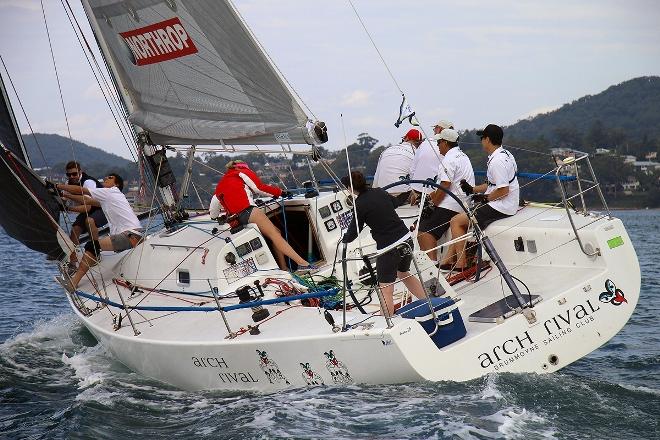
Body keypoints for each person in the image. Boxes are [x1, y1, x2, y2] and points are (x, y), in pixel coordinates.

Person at [341, 171, 427, 316]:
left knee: (386, 289)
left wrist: (345, 239)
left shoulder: (359, 204)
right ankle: (429, 302)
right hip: (406, 240)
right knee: (403, 273)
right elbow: (395, 203)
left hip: (389, 249)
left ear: (350, 188)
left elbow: (354, 231)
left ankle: (387, 323)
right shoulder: (379, 192)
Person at [209, 160, 312, 271]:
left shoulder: (221, 184)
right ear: (243, 166)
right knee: (275, 235)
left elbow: (213, 211)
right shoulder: (241, 172)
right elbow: (259, 188)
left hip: (237, 219)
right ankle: (302, 264)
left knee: (276, 232)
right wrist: (280, 192)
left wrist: (215, 217)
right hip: (248, 210)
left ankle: (283, 267)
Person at [445, 124, 519, 270]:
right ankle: (447, 260)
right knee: (463, 217)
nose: (481, 141)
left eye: (482, 138)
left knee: (456, 222)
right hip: (507, 203)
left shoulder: (497, 162)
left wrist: (485, 199)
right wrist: (472, 189)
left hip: (502, 206)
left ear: (488, 140)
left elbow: (503, 190)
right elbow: (492, 184)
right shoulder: (506, 154)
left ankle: (461, 263)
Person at [53, 173, 143, 291]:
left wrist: (57, 186)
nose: (106, 178)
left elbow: (82, 190)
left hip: (130, 235)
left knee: (92, 246)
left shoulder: (112, 191)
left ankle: (73, 283)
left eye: (110, 178)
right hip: (130, 236)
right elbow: (86, 201)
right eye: (106, 177)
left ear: (116, 184)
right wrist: (64, 196)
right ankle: (92, 258)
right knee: (93, 246)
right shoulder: (110, 197)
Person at [417, 128, 474, 266]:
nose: (437, 145)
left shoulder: (448, 160)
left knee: (423, 230)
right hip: (464, 202)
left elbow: (445, 185)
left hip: (452, 204)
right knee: (425, 222)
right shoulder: (463, 156)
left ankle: (431, 266)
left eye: (439, 142)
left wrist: (433, 204)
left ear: (446, 143)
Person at [62, 161, 108, 274]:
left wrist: (69, 209)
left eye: (74, 174)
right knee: (75, 230)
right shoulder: (68, 184)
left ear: (80, 172)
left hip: (103, 208)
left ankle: (95, 253)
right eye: (69, 175)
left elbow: (87, 207)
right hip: (89, 209)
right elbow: (63, 199)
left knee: (89, 221)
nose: (72, 177)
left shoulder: (88, 182)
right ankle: (73, 263)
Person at [372, 128, 424, 205]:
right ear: (420, 143)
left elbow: (376, 180)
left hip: (382, 196)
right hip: (402, 197)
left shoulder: (386, 151)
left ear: (406, 138)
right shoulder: (417, 153)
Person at [409, 120, 454, 198]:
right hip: (437, 192)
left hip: (418, 190)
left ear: (439, 129)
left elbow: (412, 170)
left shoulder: (424, 144)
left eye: (434, 129)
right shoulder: (450, 148)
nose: (434, 131)